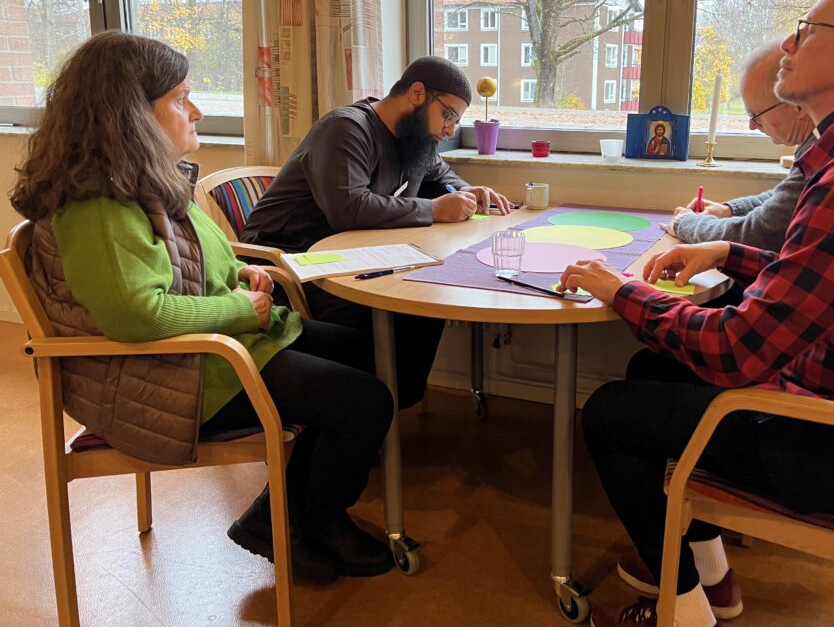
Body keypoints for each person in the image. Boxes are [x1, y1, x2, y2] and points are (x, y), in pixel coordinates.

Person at [557, 0, 834, 627]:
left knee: (611, 412)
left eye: (806, 30)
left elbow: (738, 353)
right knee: (654, 371)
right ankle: (711, 578)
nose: (788, 46)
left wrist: (621, 290)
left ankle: (683, 613)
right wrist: (729, 252)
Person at [10, 31, 397, 586]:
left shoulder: (138, 181)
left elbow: (189, 263)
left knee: (366, 355)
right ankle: (315, 520)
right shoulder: (96, 205)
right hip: (164, 378)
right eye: (179, 98)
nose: (194, 109)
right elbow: (135, 316)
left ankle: (276, 515)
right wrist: (242, 310)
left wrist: (238, 273)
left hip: (198, 356)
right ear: (131, 116)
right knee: (363, 400)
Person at [242, 56, 512, 409]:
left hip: (347, 254)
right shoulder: (347, 129)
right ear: (417, 93)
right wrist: (434, 209)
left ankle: (387, 406)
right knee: (379, 311)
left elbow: (441, 175)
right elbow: (348, 208)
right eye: (448, 115)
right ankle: (360, 414)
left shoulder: (413, 138)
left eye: (455, 121)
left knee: (428, 297)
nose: (449, 130)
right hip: (289, 259)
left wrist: (468, 191)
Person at [666, 44, 815, 252]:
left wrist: (685, 223)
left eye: (756, 114)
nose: (752, 125)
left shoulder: (821, 151)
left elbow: (755, 234)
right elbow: (783, 198)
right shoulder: (814, 141)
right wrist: (727, 210)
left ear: (796, 105)